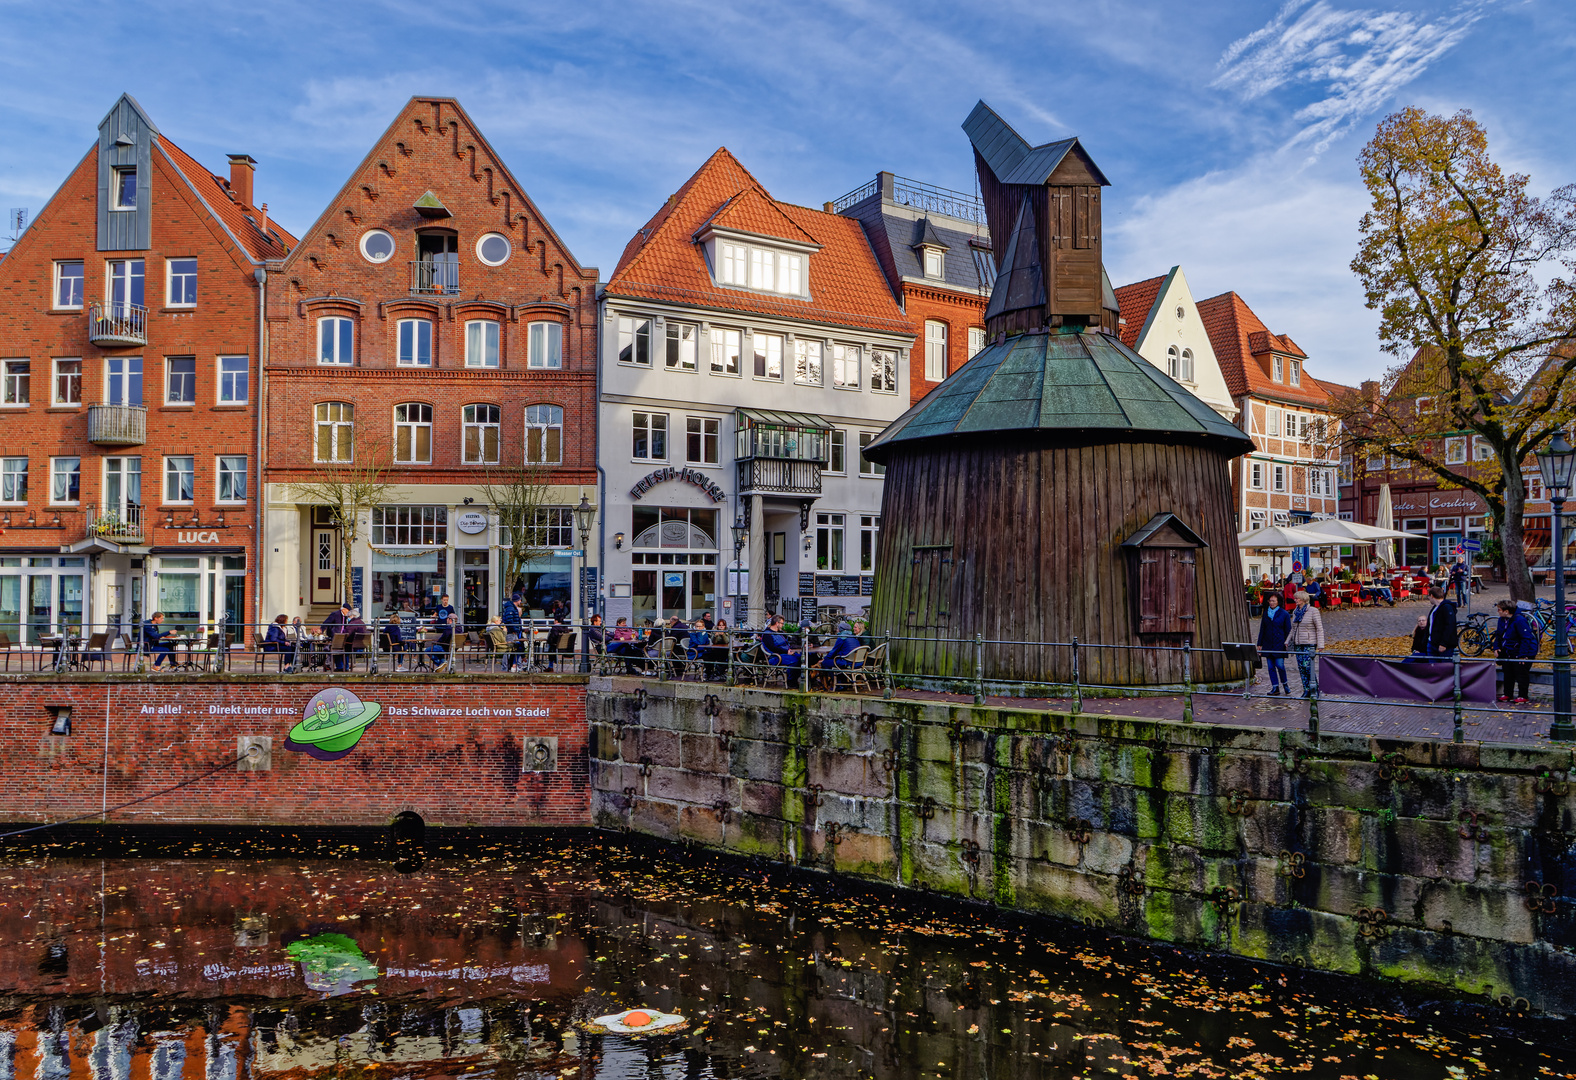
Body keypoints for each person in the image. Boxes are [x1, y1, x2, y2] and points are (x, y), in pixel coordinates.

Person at [1492, 598, 1538, 703]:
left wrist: (1523, 654)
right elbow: (1499, 635)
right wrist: (1496, 647)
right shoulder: (1502, 620)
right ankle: (1508, 693)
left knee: (1521, 672)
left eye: (1499, 609)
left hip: (1522, 650)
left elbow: (1526, 638)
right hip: (1509, 649)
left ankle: (1523, 695)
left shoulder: (1519, 620)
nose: (1498, 612)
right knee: (1507, 671)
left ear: (1506, 611)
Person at [1287, 590, 1324, 698]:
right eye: (1295, 598)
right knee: (1301, 667)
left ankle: (1315, 689)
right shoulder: (1295, 612)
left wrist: (1320, 644)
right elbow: (1293, 628)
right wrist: (1288, 641)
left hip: (1309, 643)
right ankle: (1306, 689)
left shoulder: (1313, 611)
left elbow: (1319, 628)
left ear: (1303, 599)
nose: (1295, 600)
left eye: (1297, 598)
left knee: (1308, 667)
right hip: (1299, 643)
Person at [1256, 593, 1290, 696]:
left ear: (1278, 602)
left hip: (1279, 643)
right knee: (1270, 667)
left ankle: (1285, 683)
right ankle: (1275, 687)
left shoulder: (1284, 614)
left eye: (1273, 601)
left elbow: (1288, 630)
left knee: (1280, 665)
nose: (1271, 603)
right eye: (1270, 601)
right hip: (1268, 643)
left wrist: (1287, 642)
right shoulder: (1266, 613)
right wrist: (1259, 644)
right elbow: (1262, 629)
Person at [1426, 585, 1459, 657]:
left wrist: (1444, 643)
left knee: (1444, 666)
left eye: (1428, 596)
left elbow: (1450, 626)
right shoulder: (1435, 608)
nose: (1428, 598)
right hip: (1432, 642)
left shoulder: (1446, 608)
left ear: (1432, 596)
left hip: (1443, 646)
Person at [502, 592, 525, 672]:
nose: (520, 602)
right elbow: (509, 620)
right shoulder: (511, 609)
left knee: (516, 648)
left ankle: (514, 665)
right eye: (519, 600)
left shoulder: (511, 608)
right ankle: (508, 666)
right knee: (510, 649)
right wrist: (515, 629)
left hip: (514, 632)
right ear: (517, 600)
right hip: (512, 633)